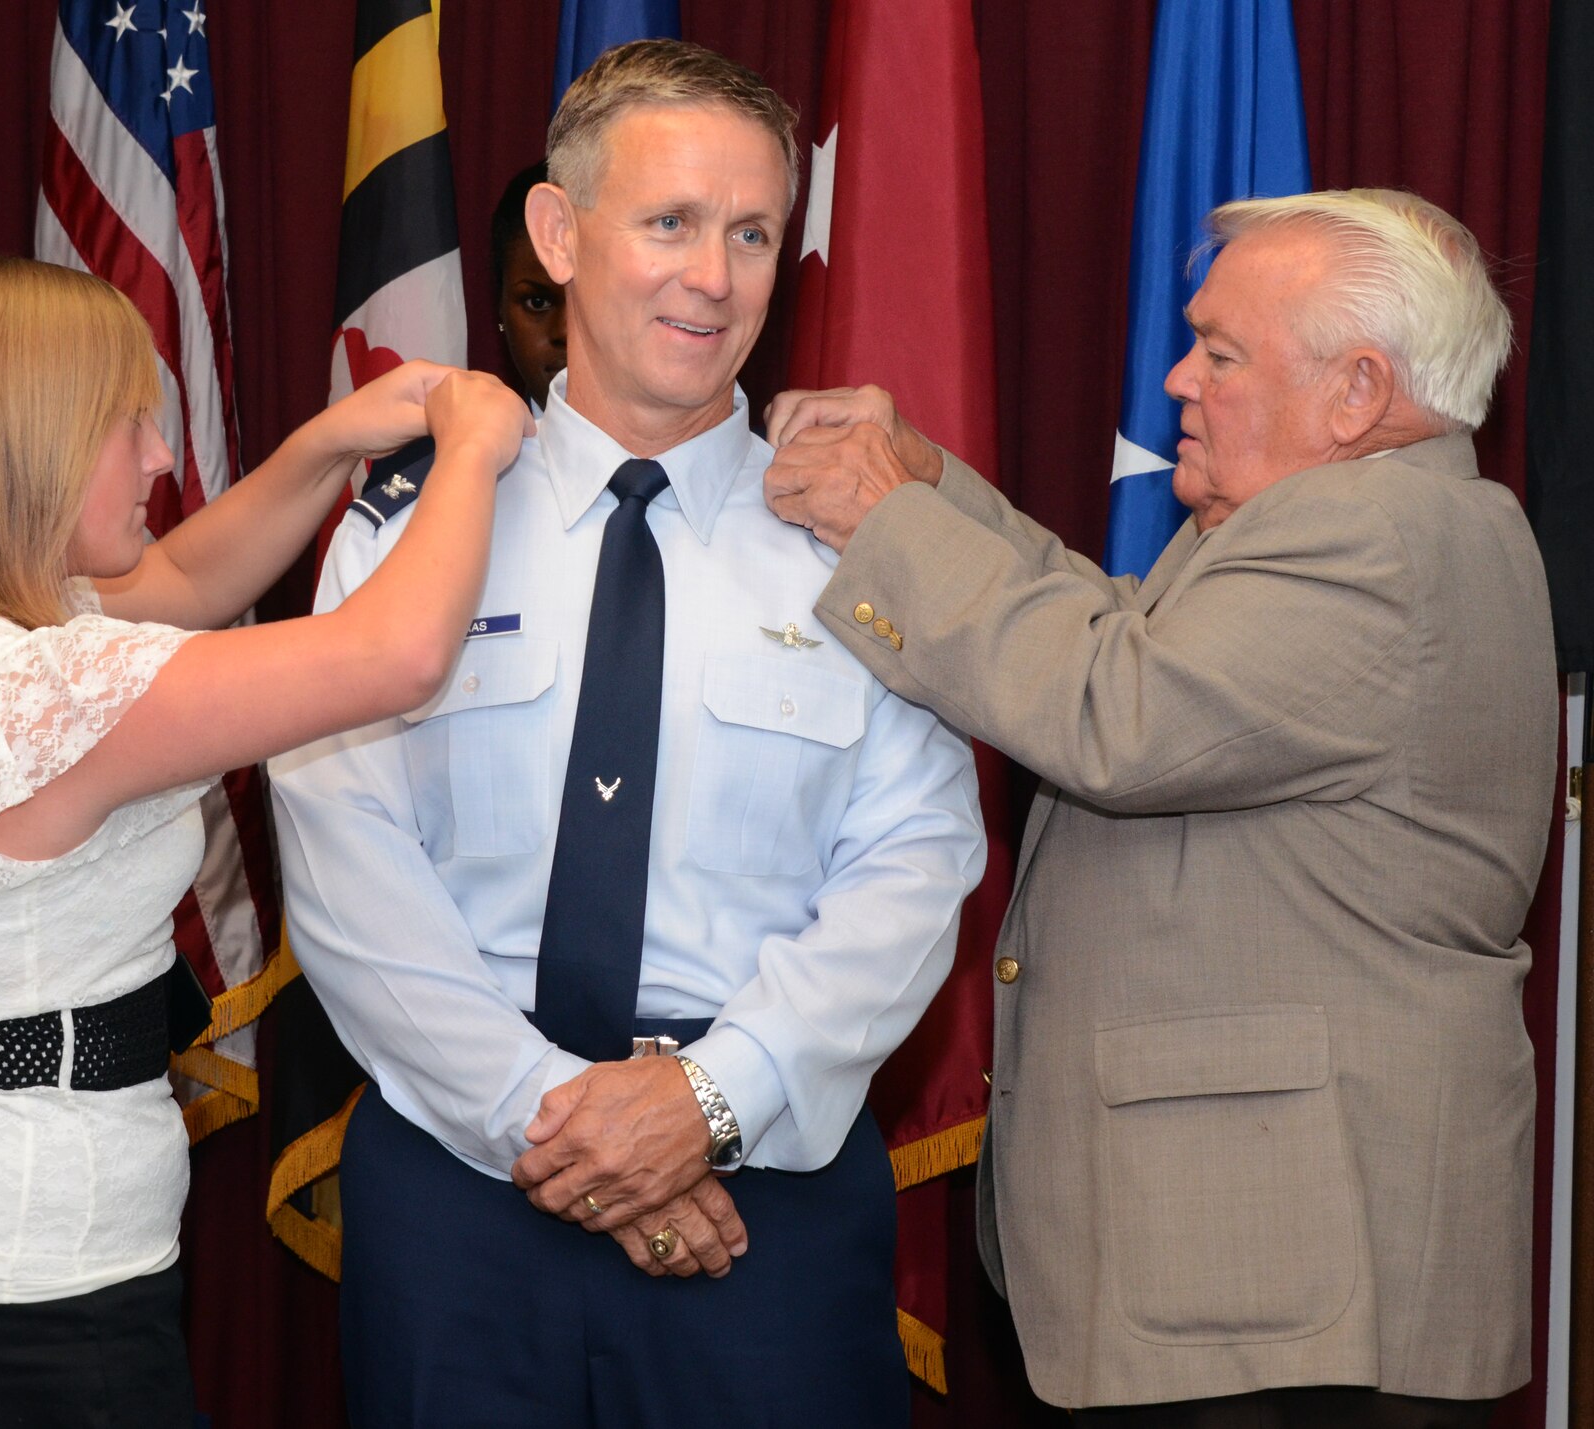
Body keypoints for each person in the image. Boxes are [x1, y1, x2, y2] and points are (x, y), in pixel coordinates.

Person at [270, 39, 985, 1429]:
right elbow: (348, 862)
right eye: (670, 222)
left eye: (753, 232)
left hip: (760, 1195)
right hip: (463, 1189)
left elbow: (915, 864)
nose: (713, 278)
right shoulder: (409, 522)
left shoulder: (864, 537)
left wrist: (701, 1105)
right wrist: (569, 1128)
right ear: (558, 230)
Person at [764, 189, 1554, 1427]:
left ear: (1355, 393)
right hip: (1259, 1283)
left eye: (1221, 353)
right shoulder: (1365, 522)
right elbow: (1122, 628)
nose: (1177, 377)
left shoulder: (1375, 539)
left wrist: (888, 521)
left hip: (1284, 1291)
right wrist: (927, 484)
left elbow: (1110, 708)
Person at [0, 252, 527, 1427]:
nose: (162, 458)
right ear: (31, 442)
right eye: (129, 425)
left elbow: (179, 575)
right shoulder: (43, 691)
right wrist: (472, 445)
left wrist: (329, 441)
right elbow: (396, 656)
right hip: (19, 1307)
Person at [491, 160, 568, 409]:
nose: (565, 332)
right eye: (538, 303)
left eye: (593, 300)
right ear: (500, 306)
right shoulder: (451, 448)